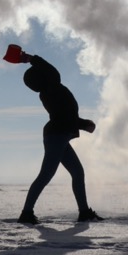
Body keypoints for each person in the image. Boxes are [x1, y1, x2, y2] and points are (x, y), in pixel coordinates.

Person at [6, 45, 104, 224]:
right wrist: (29, 58)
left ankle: (84, 212)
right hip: (57, 136)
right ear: (43, 77)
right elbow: (53, 72)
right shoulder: (53, 88)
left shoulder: (51, 91)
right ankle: (26, 213)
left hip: (59, 135)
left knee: (77, 172)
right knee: (46, 175)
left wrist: (83, 124)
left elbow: (67, 116)